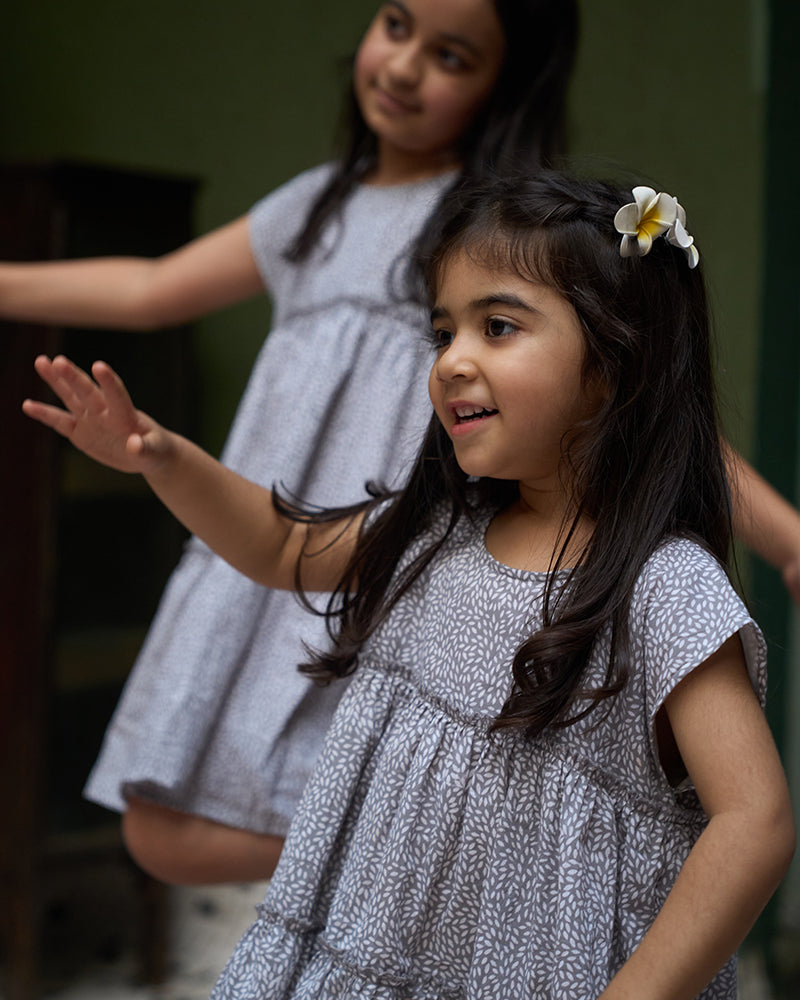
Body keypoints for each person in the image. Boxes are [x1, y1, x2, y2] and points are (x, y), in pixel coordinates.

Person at [5, 0, 800, 889]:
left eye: (452, 54)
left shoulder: (494, 232)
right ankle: (432, 846)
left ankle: (443, 842)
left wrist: (787, 539)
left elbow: (655, 412)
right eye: (395, 24)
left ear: (505, 84)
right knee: (162, 825)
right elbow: (152, 287)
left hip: (406, 546)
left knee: (198, 819)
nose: (406, 64)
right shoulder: (319, 206)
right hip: (292, 541)